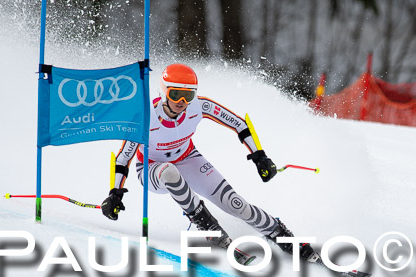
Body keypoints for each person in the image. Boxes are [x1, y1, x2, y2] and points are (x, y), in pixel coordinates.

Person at [101, 63, 320, 265]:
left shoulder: (199, 106)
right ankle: (207, 225)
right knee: (169, 172)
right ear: (164, 91)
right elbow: (123, 158)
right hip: (151, 169)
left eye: (188, 96)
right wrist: (115, 193)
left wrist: (260, 156)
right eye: (175, 94)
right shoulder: (145, 116)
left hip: (188, 158)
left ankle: (281, 235)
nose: (182, 103)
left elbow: (239, 124)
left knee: (237, 205)